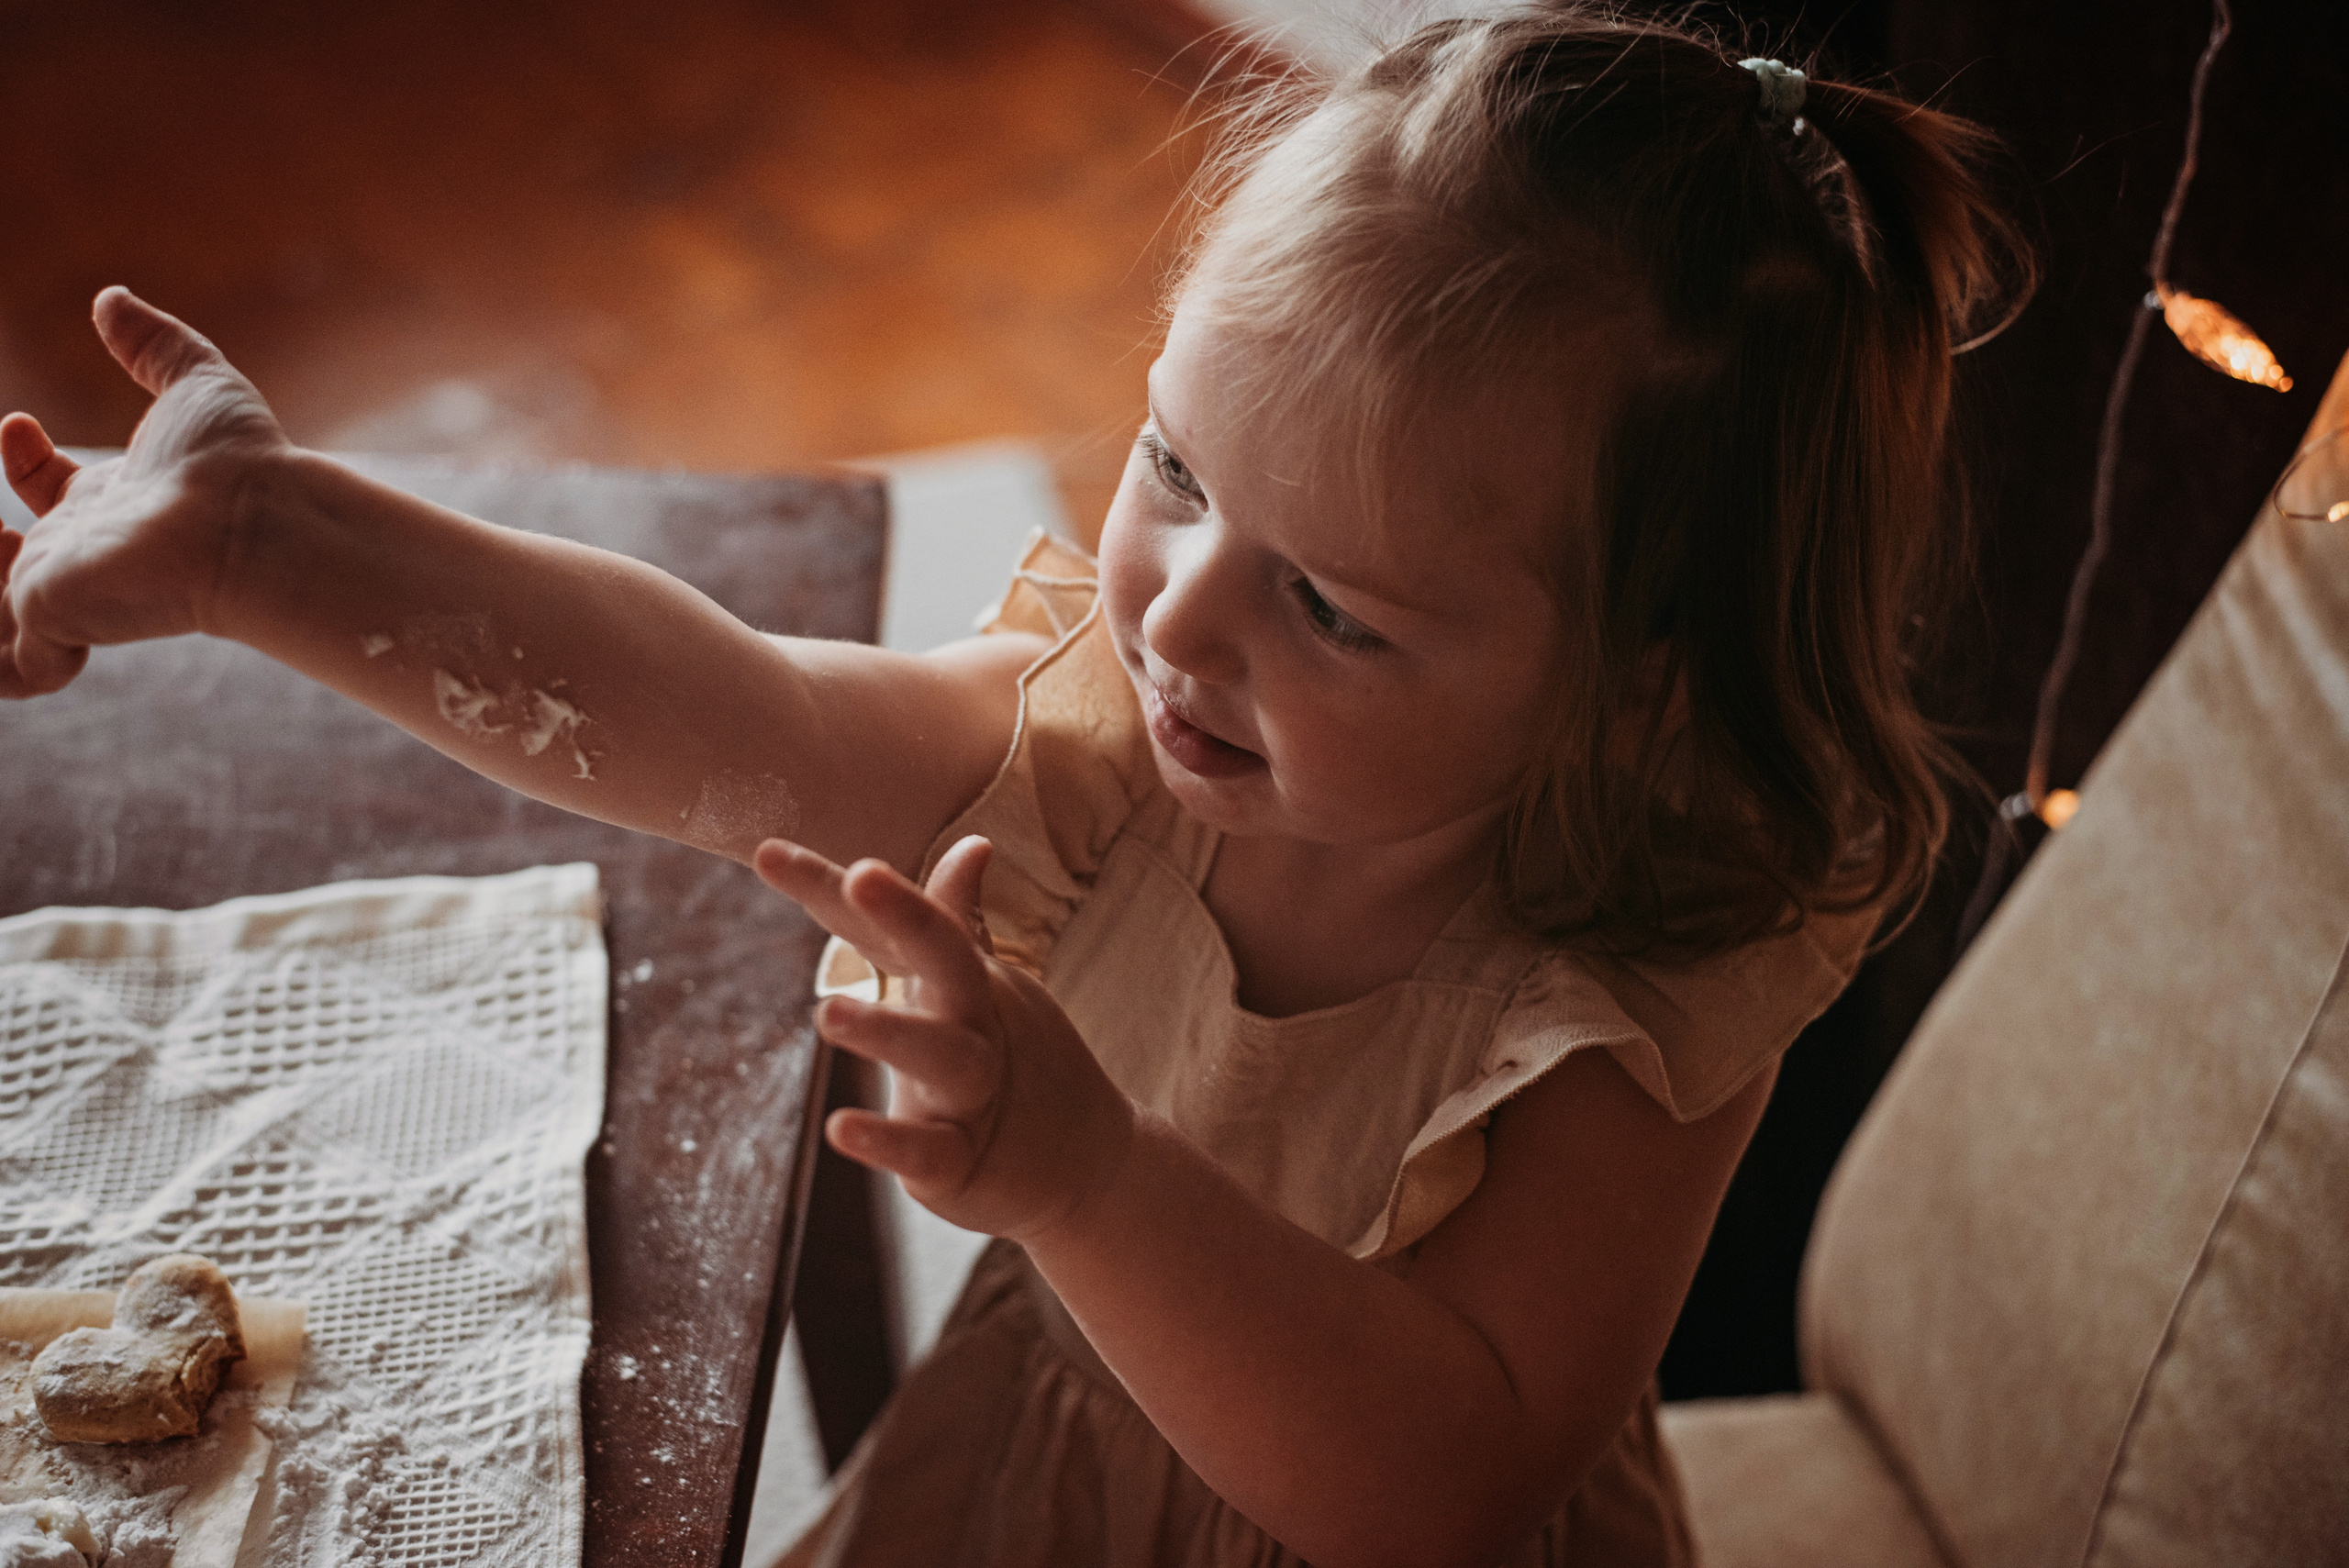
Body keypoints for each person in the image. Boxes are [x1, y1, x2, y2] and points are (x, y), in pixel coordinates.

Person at [0, 6, 2027, 1563]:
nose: (1178, 618)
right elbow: (723, 717)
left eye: (1329, 605)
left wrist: (1092, 1180)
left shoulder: (1644, 979)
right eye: (1174, 470)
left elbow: (1439, 1485)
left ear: (1640, 683)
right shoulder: (1110, 750)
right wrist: (276, 547)